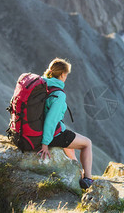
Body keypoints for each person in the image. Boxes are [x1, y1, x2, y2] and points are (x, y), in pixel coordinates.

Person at [37, 57, 94, 189]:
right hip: (51, 134)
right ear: (63, 74)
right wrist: (45, 144)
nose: (66, 77)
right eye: (66, 74)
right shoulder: (58, 94)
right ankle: (88, 179)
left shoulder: (42, 85)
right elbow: (51, 120)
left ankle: (77, 173)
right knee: (87, 143)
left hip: (36, 129)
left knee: (70, 146)